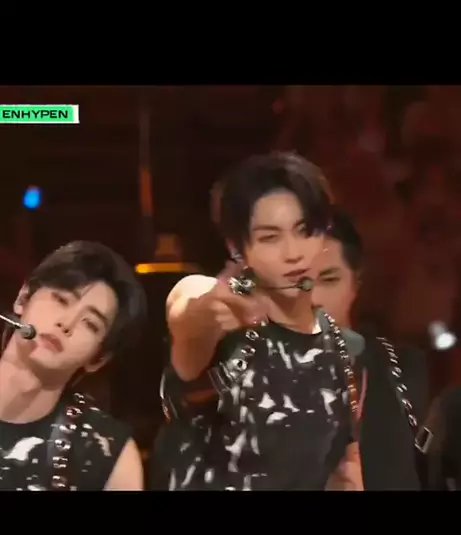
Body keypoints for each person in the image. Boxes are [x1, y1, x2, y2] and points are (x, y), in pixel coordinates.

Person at [152, 152, 366, 491]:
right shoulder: (218, 311)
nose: (293, 253)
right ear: (237, 248)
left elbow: (343, 470)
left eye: (304, 231)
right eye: (270, 237)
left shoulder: (342, 347)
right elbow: (188, 307)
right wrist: (209, 307)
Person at [0, 240, 147, 491]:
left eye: (90, 324)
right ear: (23, 298)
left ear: (98, 358)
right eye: (61, 299)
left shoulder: (109, 456)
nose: (66, 323)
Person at [309, 207, 429, 489]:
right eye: (297, 282)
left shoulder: (403, 370)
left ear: (356, 282)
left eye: (329, 279)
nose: (312, 298)